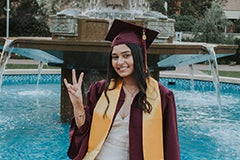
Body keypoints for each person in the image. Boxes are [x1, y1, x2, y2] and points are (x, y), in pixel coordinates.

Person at [64, 19, 180, 160]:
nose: (120, 62)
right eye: (115, 57)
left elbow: (170, 144)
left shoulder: (162, 96)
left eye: (126, 55)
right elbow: (83, 131)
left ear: (138, 56)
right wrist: (77, 105)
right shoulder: (101, 90)